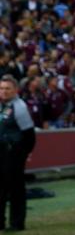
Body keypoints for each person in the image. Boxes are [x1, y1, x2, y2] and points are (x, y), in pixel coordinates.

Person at [0, 74, 36, 231]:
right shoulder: (2, 105)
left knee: (15, 188)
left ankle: (17, 223)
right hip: (1, 151)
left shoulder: (19, 107)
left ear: (15, 90)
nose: (4, 91)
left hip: (13, 152)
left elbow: (29, 134)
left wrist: (24, 153)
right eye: (1, 88)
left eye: (7, 88)